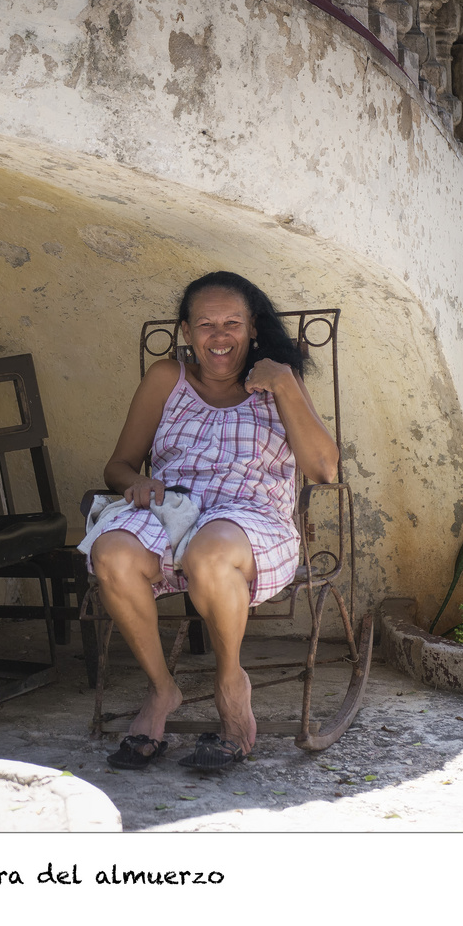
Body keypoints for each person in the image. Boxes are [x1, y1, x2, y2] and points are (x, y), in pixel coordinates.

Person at [89, 271, 339, 771]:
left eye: (232, 323)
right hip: (172, 513)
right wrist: (134, 485)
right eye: (205, 324)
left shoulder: (278, 382)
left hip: (252, 522)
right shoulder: (166, 379)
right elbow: (118, 464)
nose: (219, 335)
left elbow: (323, 469)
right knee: (110, 553)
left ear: (252, 329)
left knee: (211, 550)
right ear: (186, 331)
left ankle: (230, 684)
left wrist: (286, 384)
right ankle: (163, 691)